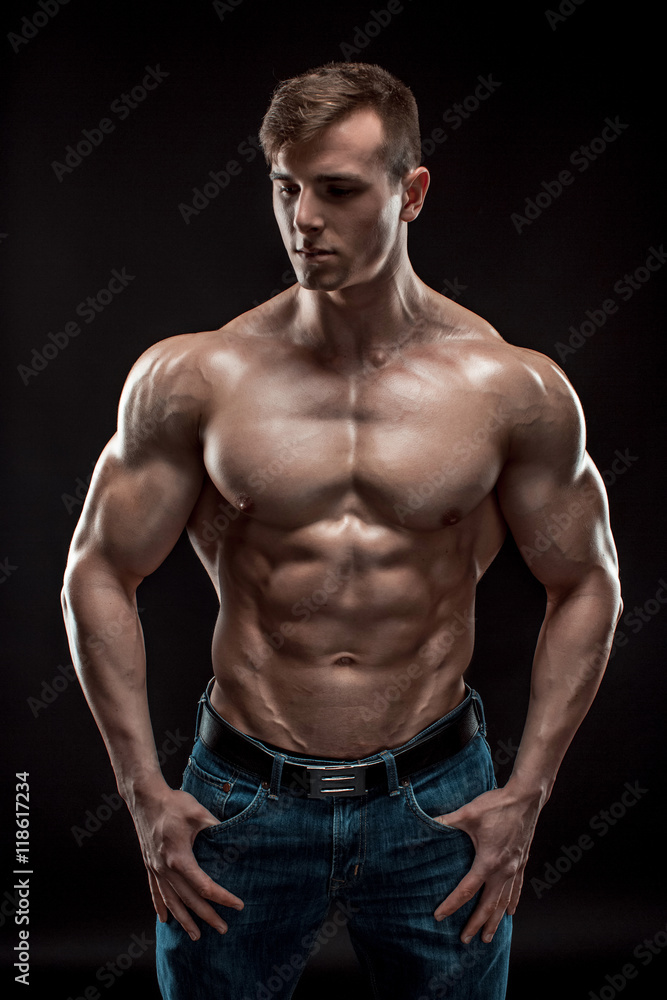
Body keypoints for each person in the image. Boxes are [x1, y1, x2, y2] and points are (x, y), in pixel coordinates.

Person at [61, 62, 622, 999]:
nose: (302, 220)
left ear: (410, 194)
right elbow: (98, 570)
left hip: (437, 805)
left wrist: (527, 794)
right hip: (236, 803)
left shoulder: (509, 389)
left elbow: (587, 582)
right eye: (284, 187)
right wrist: (142, 795)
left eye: (337, 190)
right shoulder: (195, 378)